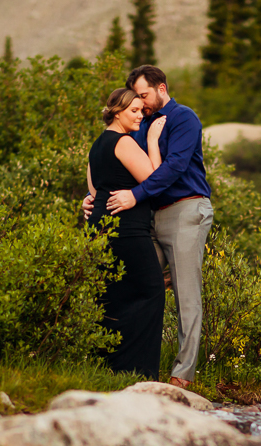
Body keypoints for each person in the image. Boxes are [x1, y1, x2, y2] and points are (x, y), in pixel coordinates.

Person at [83, 65, 213, 389]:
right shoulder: (142, 122)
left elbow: (172, 168)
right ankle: (122, 363)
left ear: (162, 88)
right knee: (134, 284)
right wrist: (93, 197)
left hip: (185, 210)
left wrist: (134, 195)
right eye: (136, 100)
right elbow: (120, 162)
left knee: (185, 294)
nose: (141, 104)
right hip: (150, 218)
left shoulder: (184, 118)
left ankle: (181, 376)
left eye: (144, 95)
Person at [87, 87, 168, 379]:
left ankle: (112, 367)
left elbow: (95, 190)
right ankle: (140, 372)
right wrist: (152, 140)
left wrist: (90, 204)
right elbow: (155, 180)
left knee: (114, 294)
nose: (140, 115)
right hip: (127, 229)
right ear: (117, 112)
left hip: (100, 227)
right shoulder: (124, 142)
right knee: (151, 291)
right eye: (133, 110)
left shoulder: (98, 144)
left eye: (140, 110)